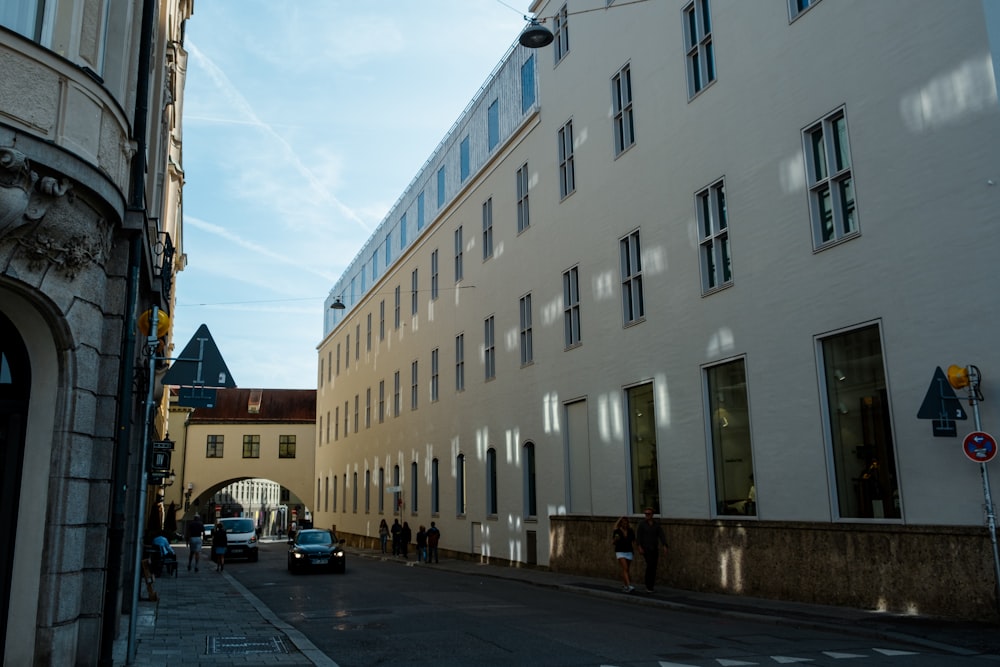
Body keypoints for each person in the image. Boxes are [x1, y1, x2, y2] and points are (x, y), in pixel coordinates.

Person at [636, 507, 669, 593]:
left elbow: (661, 535)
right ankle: (648, 585)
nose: (647, 515)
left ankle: (651, 585)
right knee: (650, 565)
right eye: (646, 514)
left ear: (652, 515)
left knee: (654, 566)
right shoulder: (642, 524)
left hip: (654, 548)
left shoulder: (656, 525)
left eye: (649, 514)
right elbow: (638, 536)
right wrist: (639, 547)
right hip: (646, 548)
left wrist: (664, 545)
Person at [612, 516, 636, 593]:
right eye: (623, 522)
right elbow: (613, 543)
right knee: (625, 568)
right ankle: (629, 586)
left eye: (626, 521)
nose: (624, 523)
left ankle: (625, 586)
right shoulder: (617, 531)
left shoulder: (630, 531)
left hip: (629, 551)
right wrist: (615, 540)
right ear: (620, 523)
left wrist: (636, 549)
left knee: (626, 570)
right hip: (620, 551)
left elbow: (633, 541)